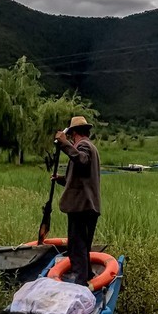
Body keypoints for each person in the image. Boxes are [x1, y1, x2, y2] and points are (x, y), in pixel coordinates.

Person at [52, 115, 101, 286]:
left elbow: (82, 160)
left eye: (71, 136)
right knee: (83, 246)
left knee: (77, 247)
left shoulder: (83, 145)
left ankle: (80, 284)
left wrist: (64, 144)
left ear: (74, 134)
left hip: (81, 207)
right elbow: (81, 177)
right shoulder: (90, 147)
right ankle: (87, 275)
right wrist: (60, 179)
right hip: (89, 206)